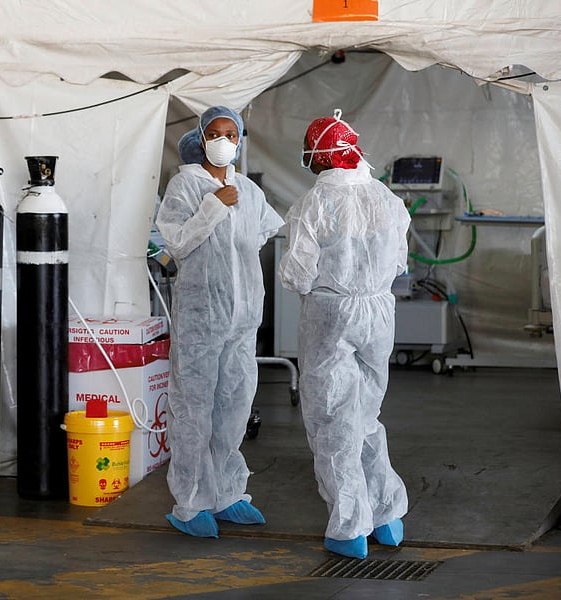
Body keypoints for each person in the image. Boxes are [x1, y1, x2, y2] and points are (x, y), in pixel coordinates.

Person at [278, 109, 410, 559]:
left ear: (320, 156)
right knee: (367, 414)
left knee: (334, 419)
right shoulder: (387, 199)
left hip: (331, 313)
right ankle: (388, 515)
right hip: (378, 311)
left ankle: (349, 526)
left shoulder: (313, 204)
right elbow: (400, 264)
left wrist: (326, 287)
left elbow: (296, 274)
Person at [156, 106, 284, 538]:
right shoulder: (185, 185)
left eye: (232, 134)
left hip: (244, 317)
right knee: (194, 407)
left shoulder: (249, 190)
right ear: (201, 137)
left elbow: (261, 235)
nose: (225, 141)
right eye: (216, 133)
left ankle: (228, 492)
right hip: (201, 317)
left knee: (234, 405)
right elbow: (175, 243)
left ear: (241, 139)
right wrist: (212, 207)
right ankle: (191, 502)